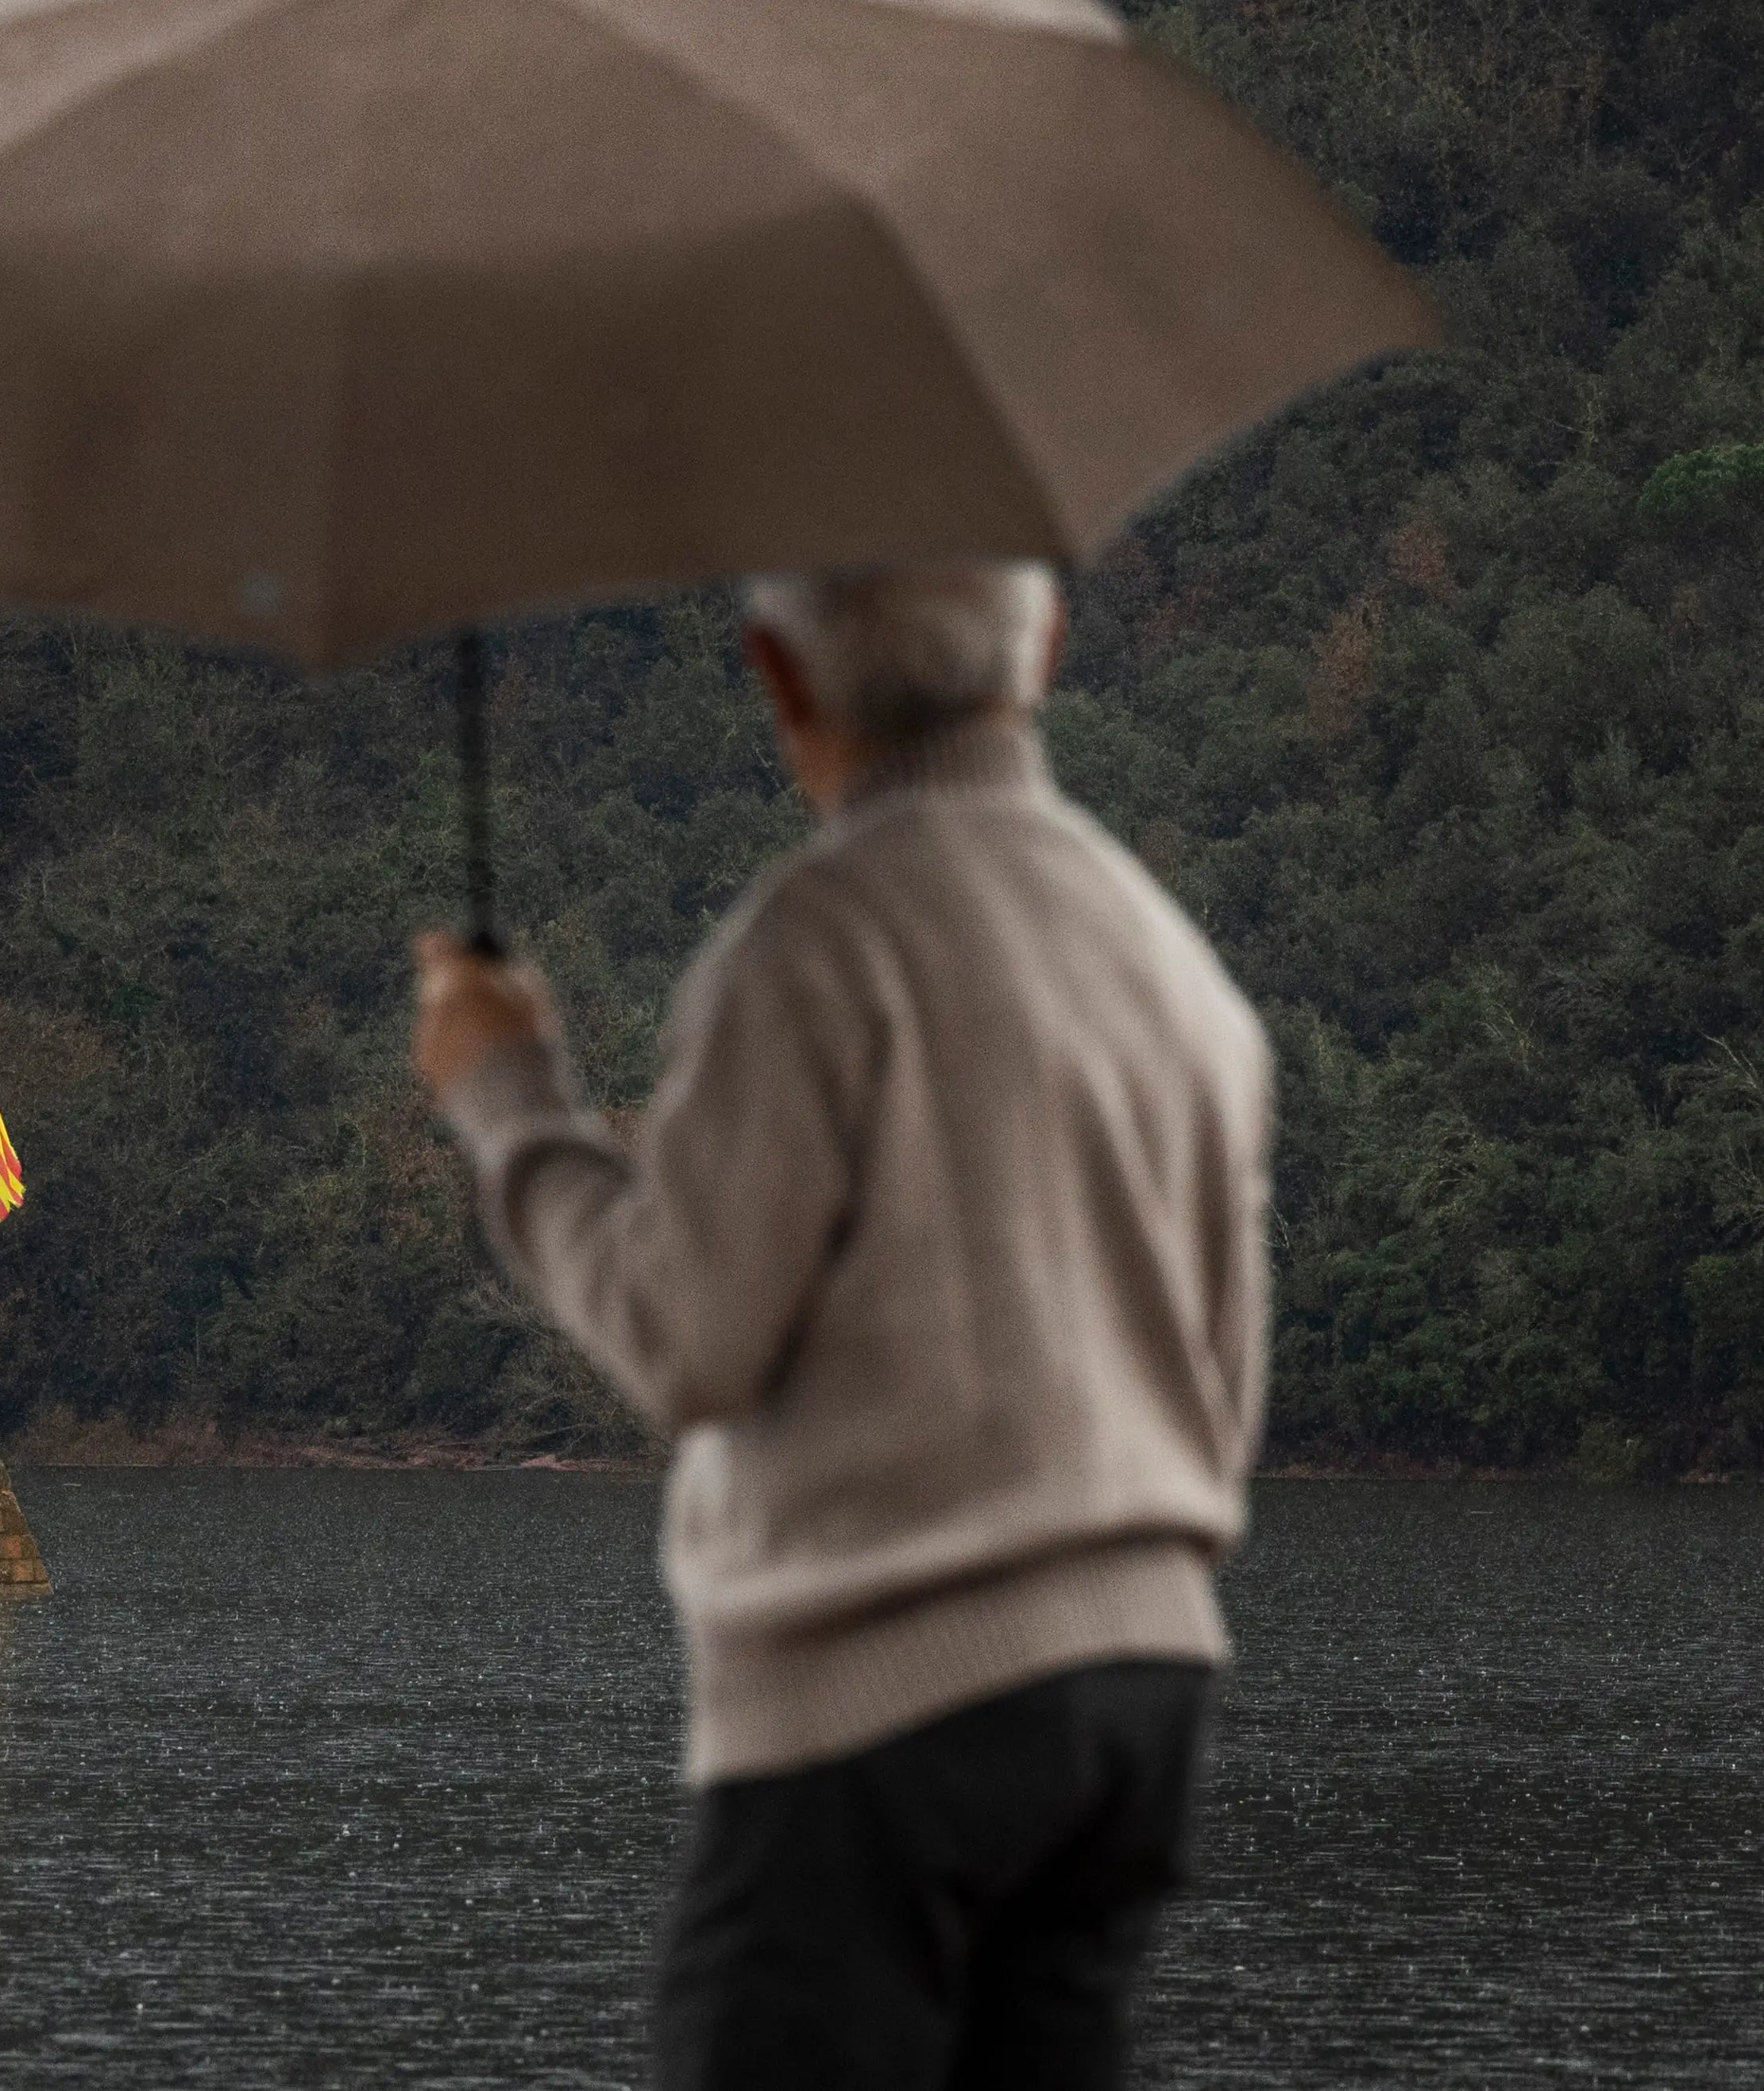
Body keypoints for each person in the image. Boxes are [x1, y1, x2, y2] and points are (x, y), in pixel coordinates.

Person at [411, 558, 1271, 2091]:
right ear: (1046, 644)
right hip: (1141, 1700)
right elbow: (1224, 1398)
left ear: (779, 673)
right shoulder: (1175, 968)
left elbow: (687, 1334)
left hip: (880, 1718)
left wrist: (513, 1105)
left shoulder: (815, 942)